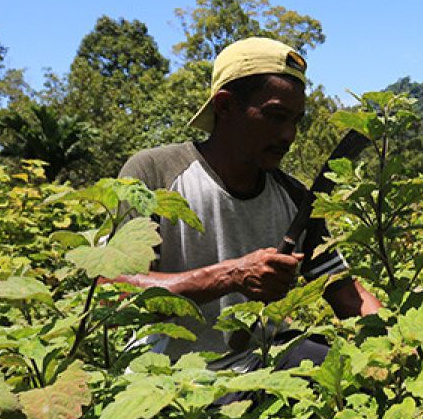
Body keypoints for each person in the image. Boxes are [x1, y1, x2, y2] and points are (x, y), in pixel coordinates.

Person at [114, 37, 381, 371]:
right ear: (225, 106)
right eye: (275, 116)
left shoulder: (296, 199)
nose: (288, 135)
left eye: (296, 120)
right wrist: (232, 275)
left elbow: (346, 294)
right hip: (169, 382)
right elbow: (116, 289)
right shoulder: (154, 174)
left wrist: (402, 341)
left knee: (334, 364)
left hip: (265, 368)